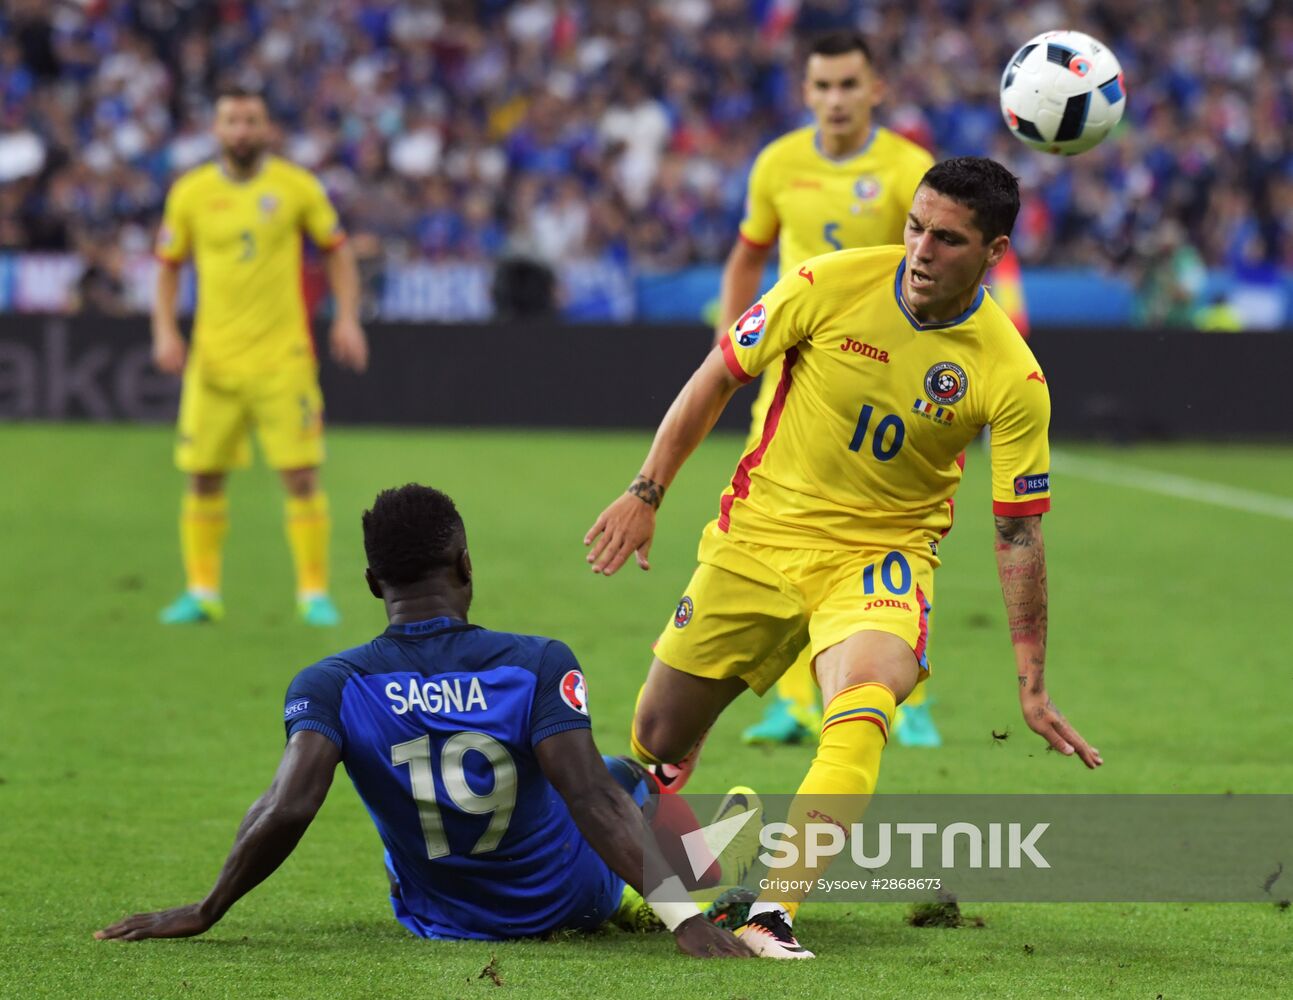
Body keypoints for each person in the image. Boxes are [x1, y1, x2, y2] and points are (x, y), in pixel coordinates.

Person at [585, 158, 1102, 959]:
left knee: (864, 700)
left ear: (993, 251)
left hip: (881, 557)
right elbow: (718, 375)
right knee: (654, 738)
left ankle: (772, 907)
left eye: (947, 238)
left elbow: (1016, 534)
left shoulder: (1010, 373)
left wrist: (1031, 687)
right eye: (915, 227)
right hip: (760, 538)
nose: (921, 250)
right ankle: (673, 862)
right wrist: (645, 492)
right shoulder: (827, 282)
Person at [97, 484, 750, 956]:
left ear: (372, 583)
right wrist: (685, 923)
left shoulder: (330, 684)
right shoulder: (536, 663)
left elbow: (288, 806)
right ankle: (708, 864)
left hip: (441, 919)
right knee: (619, 775)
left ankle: (680, 869)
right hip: (568, 901)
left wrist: (209, 907)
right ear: (465, 566)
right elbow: (589, 797)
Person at [713, 31, 939, 748]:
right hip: (788, 378)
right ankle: (791, 702)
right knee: (771, 531)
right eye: (823, 86)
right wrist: (730, 347)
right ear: (805, 92)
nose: (835, 99)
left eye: (849, 85)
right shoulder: (778, 163)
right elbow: (747, 257)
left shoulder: (910, 168)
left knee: (895, 533)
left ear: (876, 89)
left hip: (885, 380)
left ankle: (909, 697)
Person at [152, 85, 369, 628]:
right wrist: (164, 329)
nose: (242, 130)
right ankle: (202, 592)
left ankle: (313, 595)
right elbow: (168, 265)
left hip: (282, 361)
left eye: (251, 120)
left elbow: (338, 253)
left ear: (267, 128)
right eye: (232, 120)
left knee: (300, 476)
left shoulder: (296, 187)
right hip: (214, 363)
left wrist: (346, 317)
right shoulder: (190, 193)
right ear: (216, 129)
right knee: (203, 477)